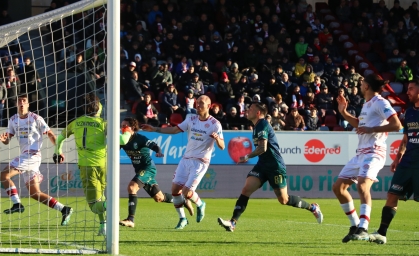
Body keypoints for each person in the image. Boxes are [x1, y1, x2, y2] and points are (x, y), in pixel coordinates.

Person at [218, 102, 323, 232]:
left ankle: (312, 208)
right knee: (246, 190)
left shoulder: (262, 124)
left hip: (275, 166)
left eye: (250, 109)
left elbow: (263, 148)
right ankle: (232, 222)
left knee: (284, 200)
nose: (247, 110)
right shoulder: (256, 126)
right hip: (262, 165)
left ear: (258, 113)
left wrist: (246, 157)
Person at [332, 74, 402, 243]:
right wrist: (343, 112)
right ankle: (355, 225)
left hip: (374, 152)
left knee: (363, 186)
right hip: (361, 153)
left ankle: (363, 227)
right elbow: (360, 125)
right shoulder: (367, 104)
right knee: (338, 187)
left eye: (362, 82)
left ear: (367, 86)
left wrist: (372, 130)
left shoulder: (381, 102)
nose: (360, 84)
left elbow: (397, 125)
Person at [141, 95, 225, 229]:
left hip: (200, 162)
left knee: (186, 191)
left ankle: (200, 204)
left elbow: (222, 146)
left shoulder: (215, 124)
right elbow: (174, 130)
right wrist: (155, 129)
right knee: (175, 190)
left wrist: (217, 139)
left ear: (209, 106)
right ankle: (182, 219)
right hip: (186, 159)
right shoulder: (191, 119)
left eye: (201, 103)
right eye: (197, 103)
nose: (198, 105)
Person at [367, 79, 419, 244]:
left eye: (411, 89)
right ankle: (381, 233)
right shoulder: (409, 112)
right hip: (407, 161)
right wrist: (397, 158)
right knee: (392, 195)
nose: (407, 91)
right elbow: (405, 138)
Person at [0, 95, 73, 226]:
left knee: (4, 175)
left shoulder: (36, 118)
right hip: (26, 157)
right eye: (19, 101)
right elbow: (7, 140)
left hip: (32, 155)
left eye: (24, 101)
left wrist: (59, 150)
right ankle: (64, 209)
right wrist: (4, 140)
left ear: (28, 105)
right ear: (16, 103)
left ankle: (17, 204)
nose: (22, 103)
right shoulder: (13, 120)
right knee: (35, 193)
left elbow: (50, 134)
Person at [118, 117, 193, 228]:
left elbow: (155, 146)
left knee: (132, 187)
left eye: (125, 126)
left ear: (132, 127)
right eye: (121, 126)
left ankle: (130, 219)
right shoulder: (122, 140)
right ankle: (182, 200)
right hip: (140, 170)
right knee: (159, 198)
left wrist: (158, 152)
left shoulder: (140, 138)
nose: (122, 128)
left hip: (148, 168)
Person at [54, 93, 107, 236]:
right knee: (100, 197)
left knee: (94, 206)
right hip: (104, 165)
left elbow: (60, 138)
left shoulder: (76, 122)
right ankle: (103, 225)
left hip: (87, 166)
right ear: (99, 107)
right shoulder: (104, 124)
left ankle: (111, 205)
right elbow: (121, 140)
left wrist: (57, 151)